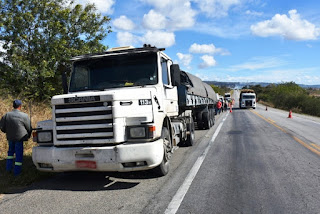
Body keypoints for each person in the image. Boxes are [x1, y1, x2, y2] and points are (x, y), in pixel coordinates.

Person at [0, 99, 32, 176]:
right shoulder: (24, 116)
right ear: (20, 106)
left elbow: (2, 127)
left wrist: (7, 132)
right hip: (20, 138)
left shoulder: (6, 115)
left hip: (10, 137)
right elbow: (29, 128)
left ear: (13, 106)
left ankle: (8, 169)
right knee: (18, 154)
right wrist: (28, 135)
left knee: (10, 153)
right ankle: (17, 172)